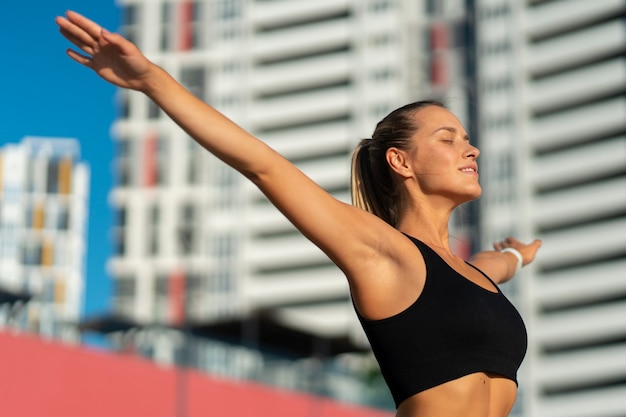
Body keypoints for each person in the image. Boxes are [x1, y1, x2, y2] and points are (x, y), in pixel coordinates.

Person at [56, 10, 541, 417]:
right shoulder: (379, 250)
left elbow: (488, 267)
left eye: (467, 138)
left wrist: (516, 258)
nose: (470, 148)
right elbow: (263, 166)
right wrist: (152, 82)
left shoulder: (472, 275)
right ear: (402, 162)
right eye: (448, 139)